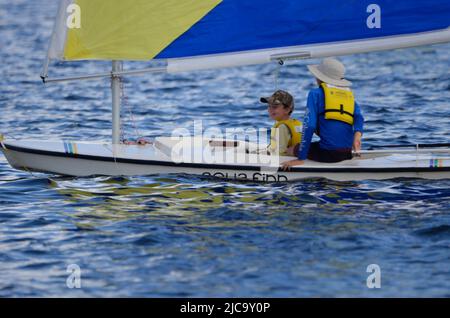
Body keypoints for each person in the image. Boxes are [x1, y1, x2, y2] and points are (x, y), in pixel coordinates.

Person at [282, 58, 364, 169]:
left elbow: (309, 126)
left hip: (328, 154)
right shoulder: (348, 97)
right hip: (347, 153)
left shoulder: (315, 94)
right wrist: (357, 138)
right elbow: (359, 117)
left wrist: (301, 158)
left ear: (319, 77)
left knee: (291, 149)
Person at [260, 90, 302, 156]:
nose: (270, 110)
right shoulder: (296, 124)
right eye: (269, 106)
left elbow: (279, 153)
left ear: (287, 110)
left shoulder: (282, 127)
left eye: (274, 107)